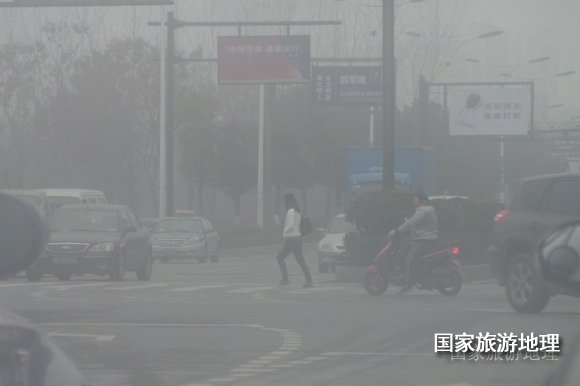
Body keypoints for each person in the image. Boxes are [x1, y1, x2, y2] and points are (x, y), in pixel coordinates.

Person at [390, 193, 439, 294]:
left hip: (423, 240)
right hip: (428, 238)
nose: (414, 202)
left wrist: (397, 231)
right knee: (405, 250)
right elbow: (416, 224)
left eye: (415, 200)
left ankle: (407, 284)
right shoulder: (430, 209)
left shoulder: (422, 211)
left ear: (422, 201)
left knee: (409, 259)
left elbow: (410, 223)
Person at [277, 193, 313, 288]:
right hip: (298, 238)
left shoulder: (290, 211)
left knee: (280, 258)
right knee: (301, 261)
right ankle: (309, 281)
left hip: (292, 238)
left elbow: (291, 226)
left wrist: (284, 232)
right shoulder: (298, 211)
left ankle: (285, 279)